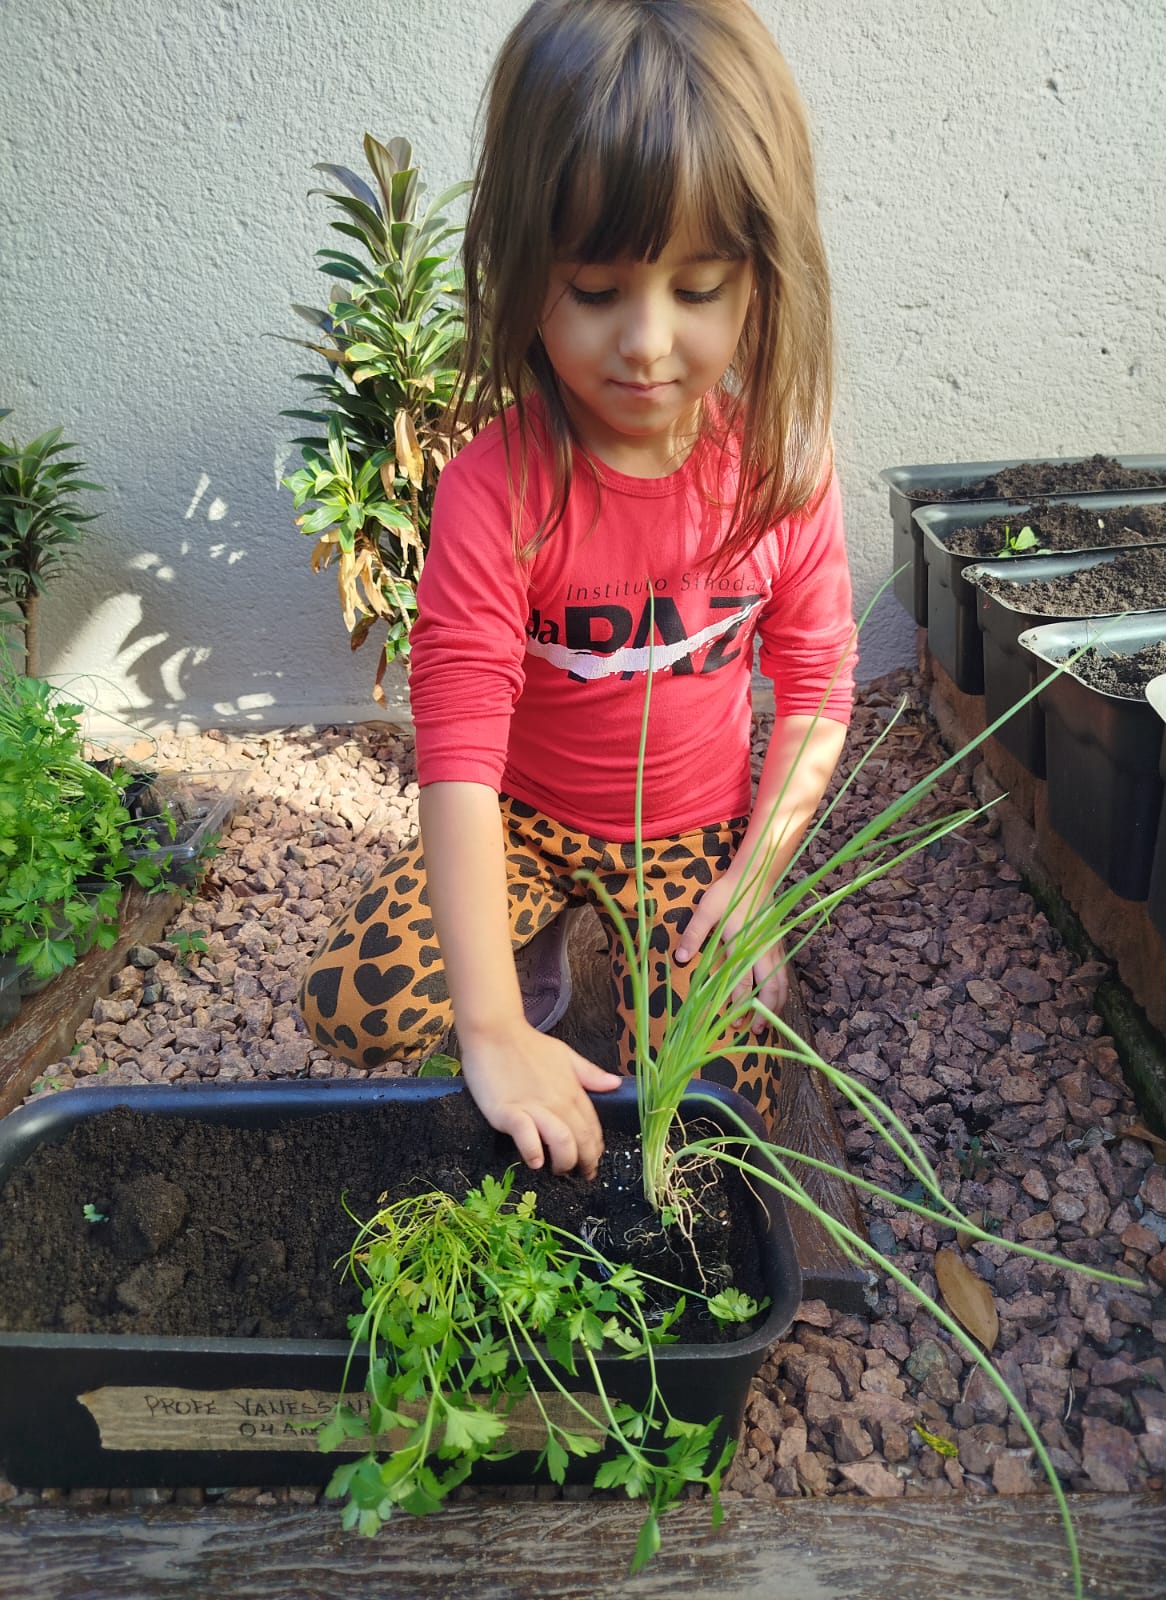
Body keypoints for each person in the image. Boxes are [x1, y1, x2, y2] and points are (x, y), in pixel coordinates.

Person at [299, 0, 857, 1183]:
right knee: (356, 1002)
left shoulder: (782, 468)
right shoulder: (495, 488)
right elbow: (459, 745)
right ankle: (533, 956)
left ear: (763, 278)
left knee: (709, 1097)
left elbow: (816, 684)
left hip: (692, 829)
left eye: (698, 289)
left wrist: (754, 879)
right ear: (522, 270)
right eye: (597, 290)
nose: (646, 342)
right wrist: (492, 1024)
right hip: (527, 817)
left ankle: (681, 945)